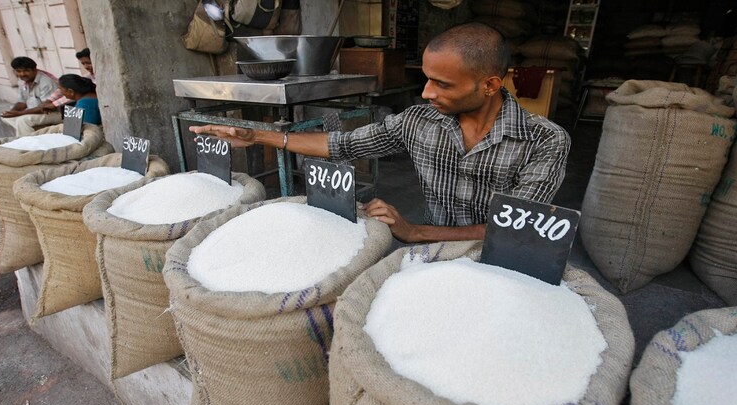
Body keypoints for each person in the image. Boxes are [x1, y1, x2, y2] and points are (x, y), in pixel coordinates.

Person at [189, 23, 571, 243]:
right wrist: (258, 136)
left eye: (443, 85)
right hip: (432, 250)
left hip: (501, 260)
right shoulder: (418, 121)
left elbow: (517, 230)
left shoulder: (545, 141)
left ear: (489, 85)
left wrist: (416, 232)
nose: (426, 93)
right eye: (426, 79)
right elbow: (342, 145)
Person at [0, 56, 61, 136]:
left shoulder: (46, 82)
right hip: (34, 112)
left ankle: (29, 143)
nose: (22, 74)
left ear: (34, 70)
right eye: (18, 71)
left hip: (54, 113)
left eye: (26, 71)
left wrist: (19, 113)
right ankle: (30, 133)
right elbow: (22, 103)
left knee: (22, 121)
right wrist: (11, 112)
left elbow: (46, 107)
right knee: (5, 117)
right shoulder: (22, 81)